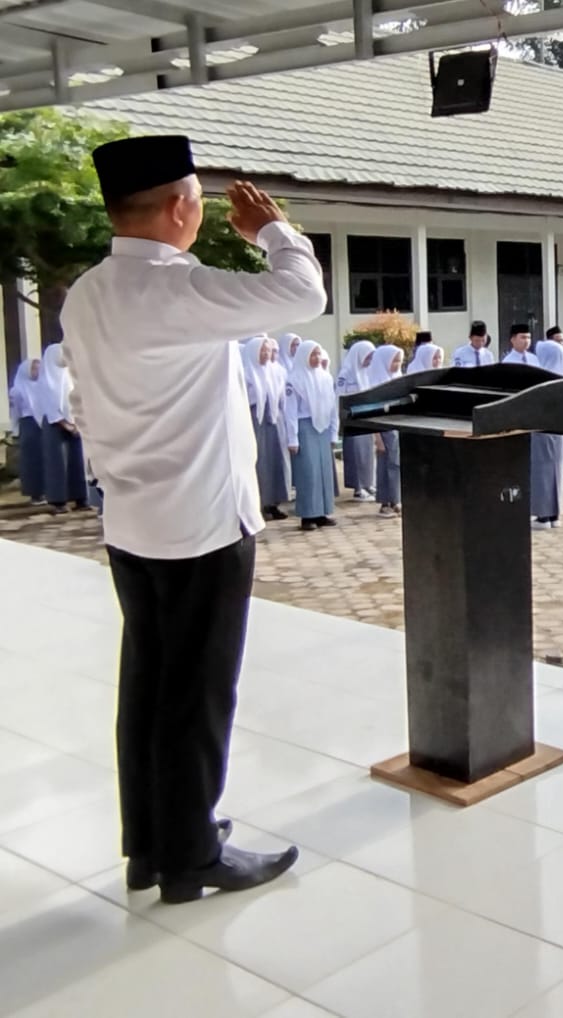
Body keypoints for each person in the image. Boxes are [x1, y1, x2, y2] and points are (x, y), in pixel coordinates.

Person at [61, 136, 319, 902]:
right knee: (198, 692)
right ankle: (192, 856)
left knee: (146, 685)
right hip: (202, 525)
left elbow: (80, 405)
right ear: (180, 207)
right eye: (198, 199)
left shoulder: (87, 293)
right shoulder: (180, 291)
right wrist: (272, 231)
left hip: (131, 521)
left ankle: (150, 843)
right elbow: (303, 294)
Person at [286, 340, 339, 531]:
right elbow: (290, 412)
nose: (317, 358)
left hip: (323, 427)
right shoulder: (294, 380)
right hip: (305, 427)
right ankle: (308, 516)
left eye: (318, 354)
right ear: (304, 356)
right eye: (313, 354)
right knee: (308, 472)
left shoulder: (325, 377)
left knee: (324, 472)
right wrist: (292, 438)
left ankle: (323, 512)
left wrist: (334, 433)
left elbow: (333, 407)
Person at [242, 336, 291, 520]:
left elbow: (282, 400)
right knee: (259, 461)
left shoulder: (277, 371)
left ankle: (273, 503)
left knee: (277, 460)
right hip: (255, 420)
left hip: (274, 419)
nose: (266, 354)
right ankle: (258, 504)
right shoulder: (246, 372)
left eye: (269, 350)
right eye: (262, 350)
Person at [37, 344, 89, 513]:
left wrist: (76, 422)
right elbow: (49, 404)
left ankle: (81, 497)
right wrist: (64, 423)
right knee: (58, 463)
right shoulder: (45, 379)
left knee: (77, 462)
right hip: (55, 425)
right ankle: (58, 500)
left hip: (74, 424)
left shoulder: (68, 375)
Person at [528, 328, 563, 528]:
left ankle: (543, 515)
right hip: (560, 429)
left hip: (543, 429)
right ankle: (554, 514)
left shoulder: (544, 379)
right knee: (556, 467)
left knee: (543, 468)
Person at [334, 340, 377, 502]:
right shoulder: (346, 373)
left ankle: (367, 483)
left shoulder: (367, 372)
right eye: (368, 357)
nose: (369, 360)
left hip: (365, 417)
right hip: (352, 419)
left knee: (367, 452)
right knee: (355, 453)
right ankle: (358, 488)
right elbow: (340, 397)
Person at [367, 344, 405, 517]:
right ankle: (385, 502)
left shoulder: (397, 378)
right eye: (394, 361)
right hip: (383, 429)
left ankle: (396, 499)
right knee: (385, 465)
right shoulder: (375, 382)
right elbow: (372, 413)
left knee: (396, 464)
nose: (397, 364)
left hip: (396, 427)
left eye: (399, 361)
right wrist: (377, 437)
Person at [8, 357, 46, 505]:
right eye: (34, 368)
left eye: (38, 368)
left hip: (42, 424)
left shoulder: (43, 386)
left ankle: (47, 490)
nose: (37, 372)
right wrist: (15, 429)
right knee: (32, 461)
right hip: (28, 424)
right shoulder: (17, 390)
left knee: (45, 458)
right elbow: (15, 412)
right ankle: (35, 494)